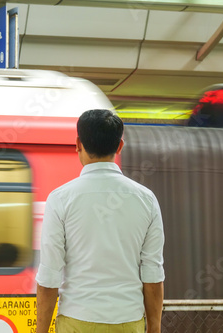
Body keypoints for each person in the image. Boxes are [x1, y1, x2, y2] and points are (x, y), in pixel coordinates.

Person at [36, 109, 165, 333]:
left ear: (78, 143)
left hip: (77, 321)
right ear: (119, 146)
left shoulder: (60, 199)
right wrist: (153, 328)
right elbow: (152, 274)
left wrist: (41, 330)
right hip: (128, 322)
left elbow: (49, 275)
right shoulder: (147, 199)